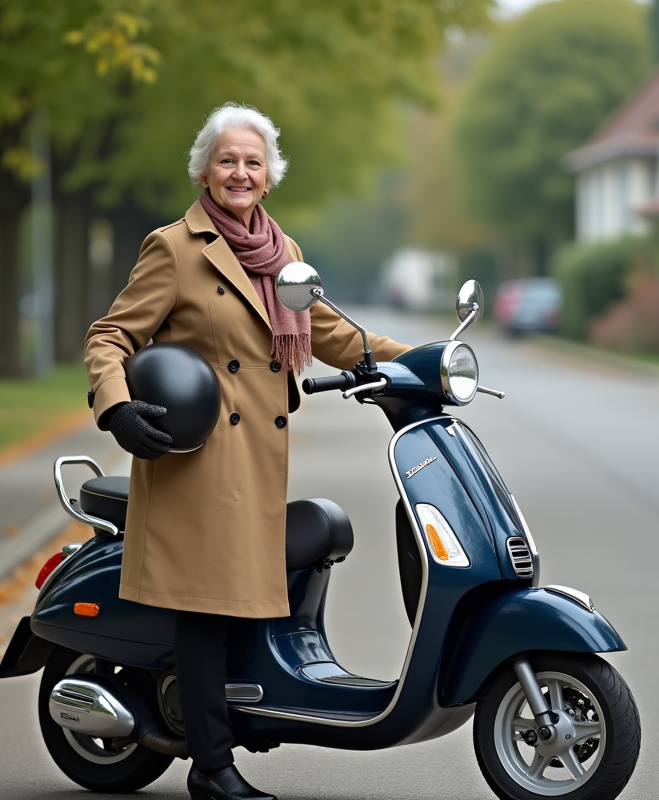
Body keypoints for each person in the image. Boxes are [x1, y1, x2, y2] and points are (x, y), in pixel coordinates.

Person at [83, 103, 409, 800]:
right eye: (227, 160)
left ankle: (241, 721)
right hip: (196, 460)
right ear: (204, 171)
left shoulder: (282, 253)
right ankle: (211, 767)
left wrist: (421, 362)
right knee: (208, 610)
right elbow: (111, 336)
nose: (240, 172)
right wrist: (116, 406)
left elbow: (330, 331)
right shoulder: (175, 248)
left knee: (247, 600)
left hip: (256, 460)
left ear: (269, 177)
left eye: (252, 162)